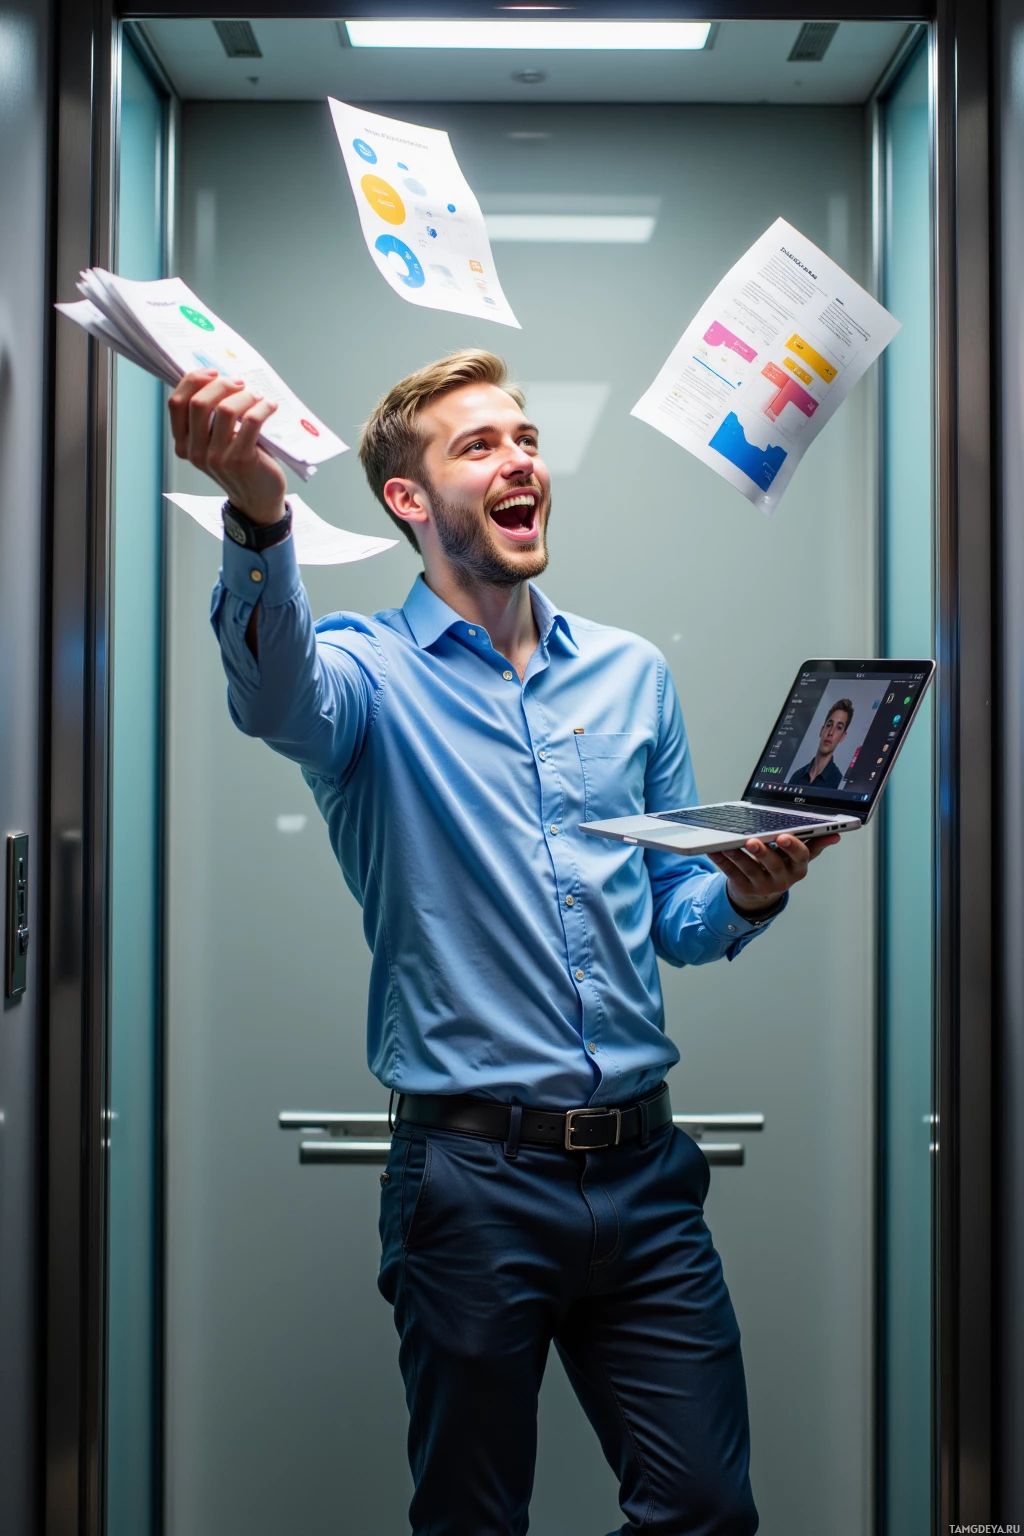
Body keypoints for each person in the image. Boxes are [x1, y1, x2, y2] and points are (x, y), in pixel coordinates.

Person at [168, 350, 839, 1536]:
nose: (519, 458)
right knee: (473, 1522)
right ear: (407, 501)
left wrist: (746, 893)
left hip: (645, 1178)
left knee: (707, 1508)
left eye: (523, 438)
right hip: (472, 1187)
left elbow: (673, 927)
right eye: (477, 445)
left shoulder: (632, 676)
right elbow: (271, 698)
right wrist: (259, 514)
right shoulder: (365, 677)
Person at [788, 698, 854, 790]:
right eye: (829, 725)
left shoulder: (837, 782)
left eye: (838, 727)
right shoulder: (797, 776)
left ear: (842, 736)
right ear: (822, 730)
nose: (831, 732)